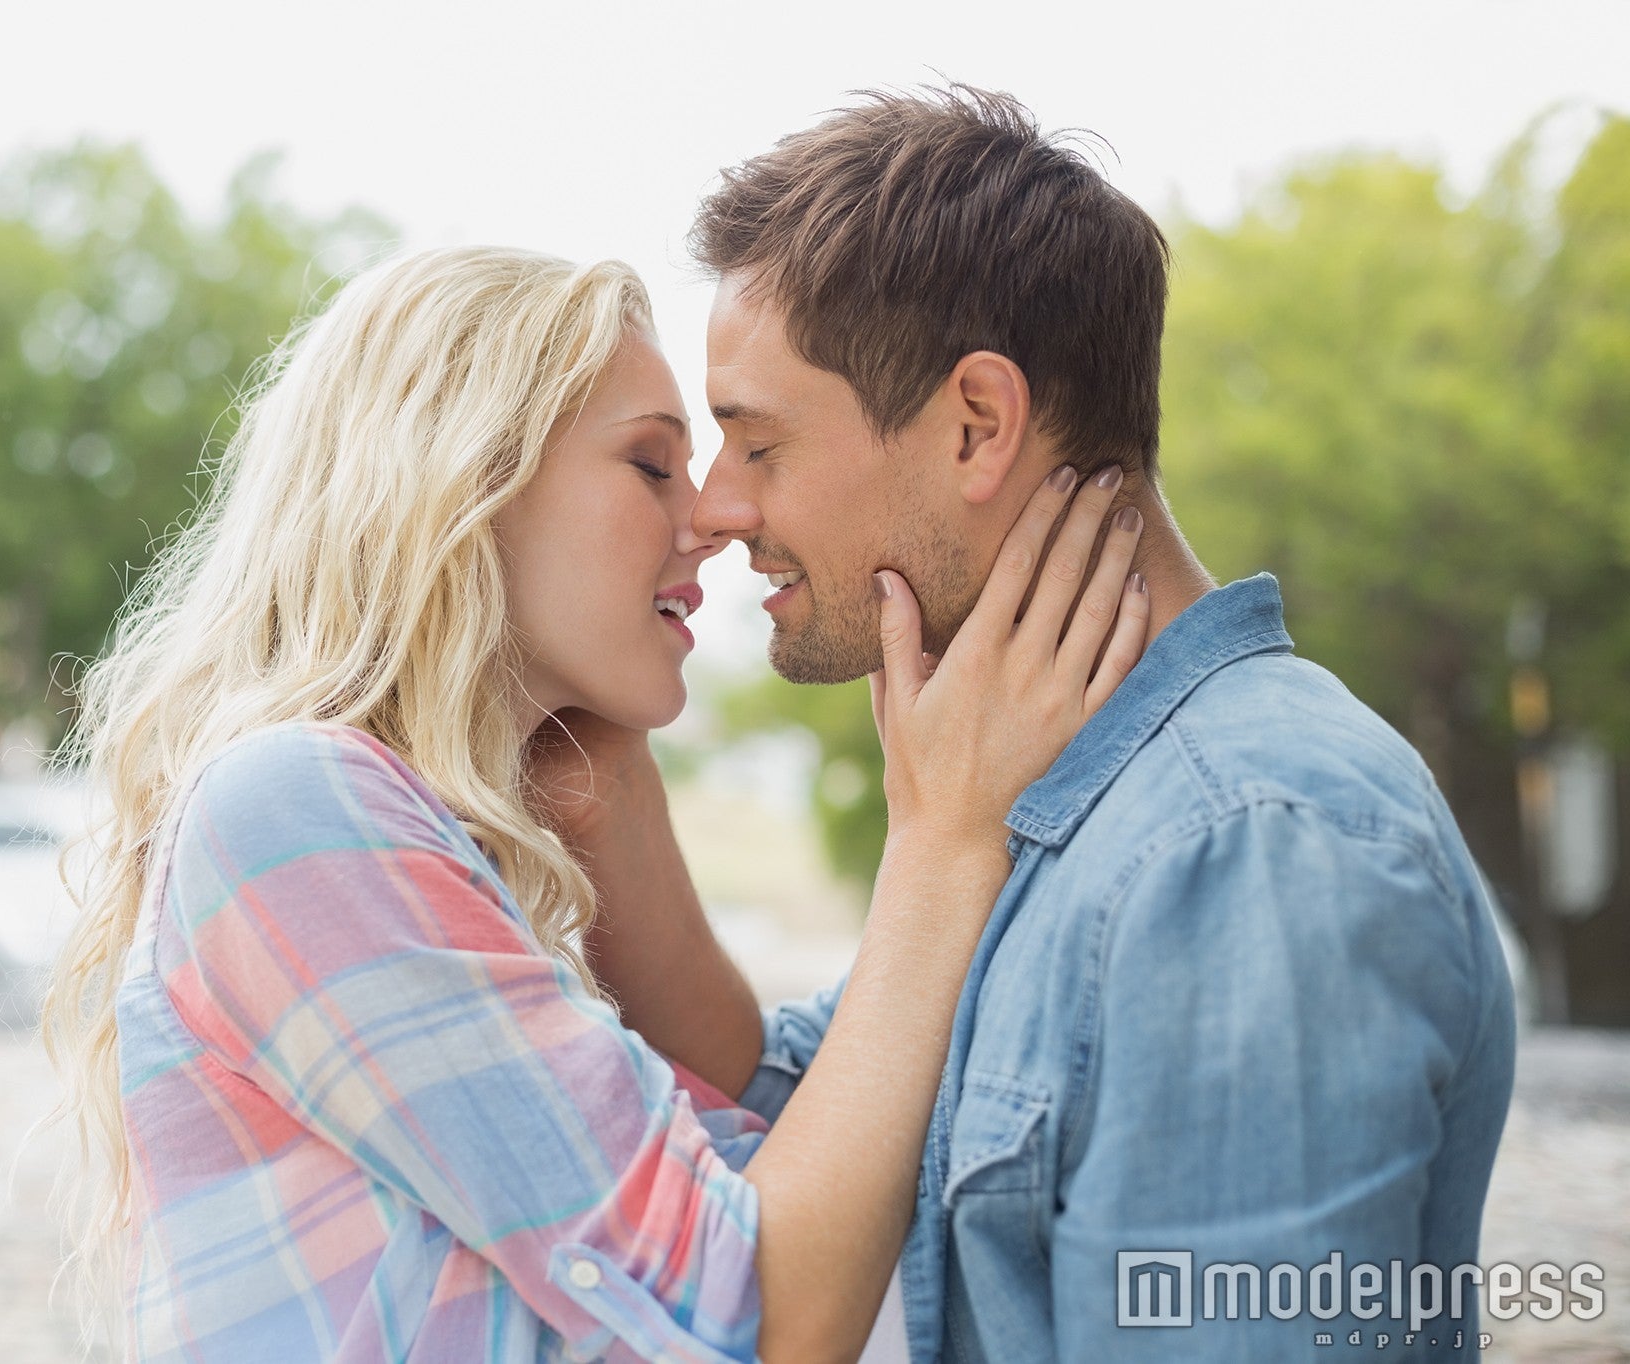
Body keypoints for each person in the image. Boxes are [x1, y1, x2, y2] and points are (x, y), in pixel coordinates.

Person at [40, 244, 1151, 1362]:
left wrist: (610, 795)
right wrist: (944, 838)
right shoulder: (292, 808)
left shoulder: (428, 841)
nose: (713, 511)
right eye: (650, 463)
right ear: (464, 482)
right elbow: (755, 1311)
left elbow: (793, 1143)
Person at [568, 85, 1520, 1362]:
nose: (716, 509)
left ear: (976, 424)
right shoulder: (1030, 797)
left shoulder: (1242, 845)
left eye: (756, 442)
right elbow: (797, 1102)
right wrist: (592, 722)